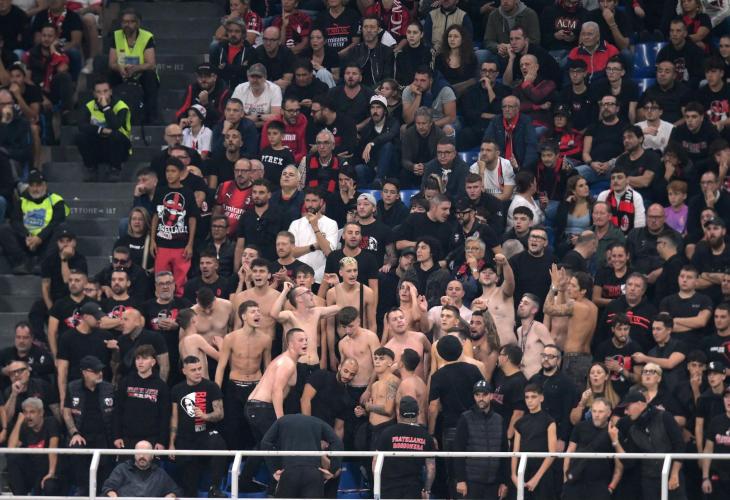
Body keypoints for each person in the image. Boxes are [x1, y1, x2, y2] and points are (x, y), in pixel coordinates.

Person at [238, 328, 308, 489]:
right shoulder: (287, 363)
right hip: (261, 408)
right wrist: (280, 420)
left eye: (306, 340)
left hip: (254, 408)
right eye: (300, 340)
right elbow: (276, 390)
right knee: (278, 444)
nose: (305, 343)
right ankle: (276, 487)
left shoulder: (286, 360)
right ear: (290, 344)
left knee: (262, 445)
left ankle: (244, 482)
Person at [429, 336, 484, 493]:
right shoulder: (473, 370)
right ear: (460, 349)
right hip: (475, 426)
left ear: (440, 354)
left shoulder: (438, 376)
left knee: (454, 472)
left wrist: (431, 433)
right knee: (475, 468)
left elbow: (433, 406)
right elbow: (484, 396)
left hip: (451, 427)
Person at [214, 300, 272, 449]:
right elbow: (221, 367)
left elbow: (268, 368)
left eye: (258, 312)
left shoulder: (265, 339)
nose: (257, 314)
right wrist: (216, 393)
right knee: (233, 427)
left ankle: (253, 460)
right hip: (234, 387)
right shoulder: (230, 338)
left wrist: (268, 391)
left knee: (255, 427)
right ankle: (234, 460)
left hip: (256, 387)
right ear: (244, 316)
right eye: (253, 312)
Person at [611, 390, 687, 500]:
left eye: (627, 407)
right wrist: (616, 442)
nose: (626, 412)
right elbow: (629, 461)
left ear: (640, 404)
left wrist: (675, 473)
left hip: (672, 474)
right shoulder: (633, 430)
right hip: (649, 480)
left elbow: (679, 445)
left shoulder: (664, 417)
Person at [169, 356, 226, 498]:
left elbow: (220, 414)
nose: (198, 372)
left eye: (200, 369)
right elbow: (174, 418)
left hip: (205, 434)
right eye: (193, 370)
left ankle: (215, 488)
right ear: (184, 371)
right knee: (189, 485)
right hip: (185, 438)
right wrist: (171, 443)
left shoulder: (211, 387)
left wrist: (205, 416)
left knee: (219, 444)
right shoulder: (177, 389)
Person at [63, 355, 115, 495]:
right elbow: (66, 412)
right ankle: (83, 490)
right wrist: (74, 432)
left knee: (104, 475)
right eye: (96, 371)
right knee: (76, 450)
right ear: (85, 372)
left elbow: (116, 415)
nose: (100, 373)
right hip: (82, 435)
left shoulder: (109, 388)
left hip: (103, 436)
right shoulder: (72, 387)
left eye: (101, 370)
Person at [0, 170, 68, 274]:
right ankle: (22, 262)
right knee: (4, 229)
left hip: (46, 241)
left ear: (45, 185)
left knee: (61, 229)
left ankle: (43, 263)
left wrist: (39, 237)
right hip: (26, 241)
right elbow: (15, 221)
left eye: (38, 185)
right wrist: (27, 236)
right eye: (32, 185)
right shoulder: (22, 200)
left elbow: (56, 222)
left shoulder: (56, 200)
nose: (35, 189)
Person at [260, 413, 343, 499]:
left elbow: (265, 442)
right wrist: (332, 470)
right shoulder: (318, 421)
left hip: (289, 471)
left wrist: (274, 469)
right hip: (313, 473)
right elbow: (337, 442)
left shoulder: (282, 421)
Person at [149, 157, 199, 295]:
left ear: (181, 173)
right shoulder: (160, 191)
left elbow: (192, 219)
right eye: (167, 171)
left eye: (173, 171)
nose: (169, 174)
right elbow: (155, 216)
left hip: (181, 244)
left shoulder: (188, 192)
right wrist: (152, 240)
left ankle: (179, 304)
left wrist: (190, 244)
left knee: (180, 281)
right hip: (162, 243)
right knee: (160, 279)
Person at [543, 266, 598, 388]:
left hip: (573, 359)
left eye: (573, 286)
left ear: (583, 291)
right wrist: (562, 289)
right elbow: (562, 308)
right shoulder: (594, 307)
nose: (569, 288)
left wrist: (553, 287)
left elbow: (547, 308)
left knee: (570, 396)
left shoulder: (575, 306)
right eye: (569, 284)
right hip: (587, 358)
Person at [454, 380, 509, 499]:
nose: (481, 398)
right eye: (477, 395)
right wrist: (460, 479)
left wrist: (504, 481)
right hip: (471, 482)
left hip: (494, 483)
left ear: (491, 396)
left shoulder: (499, 419)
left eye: (484, 394)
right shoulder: (465, 418)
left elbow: (504, 452)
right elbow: (458, 450)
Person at [113, 344, 170, 450]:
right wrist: (117, 436)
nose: (140, 362)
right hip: (127, 438)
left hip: (152, 438)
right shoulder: (125, 382)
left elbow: (164, 416)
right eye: (138, 358)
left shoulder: (161, 386)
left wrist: (162, 441)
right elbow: (118, 410)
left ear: (153, 362)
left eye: (144, 358)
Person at [563, 398, 622, 499]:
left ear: (609, 413)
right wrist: (565, 480)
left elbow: (619, 463)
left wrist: (611, 487)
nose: (596, 415)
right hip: (576, 481)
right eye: (594, 411)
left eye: (600, 411)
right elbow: (569, 452)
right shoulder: (580, 427)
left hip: (599, 486)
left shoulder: (613, 432)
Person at [107, 8, 158, 124]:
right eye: (125, 22)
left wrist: (135, 69)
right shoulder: (116, 36)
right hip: (122, 72)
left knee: (150, 76)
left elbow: (151, 64)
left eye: (131, 22)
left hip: (140, 73)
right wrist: (119, 68)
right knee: (110, 75)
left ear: (138, 23)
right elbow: (112, 63)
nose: (127, 25)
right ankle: (109, 113)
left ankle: (151, 117)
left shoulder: (147, 37)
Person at [511, 384, 558, 499]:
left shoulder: (549, 421)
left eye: (533, 397)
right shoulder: (520, 423)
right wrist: (514, 475)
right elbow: (515, 452)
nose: (529, 400)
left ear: (541, 398)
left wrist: (537, 478)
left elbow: (552, 453)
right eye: (527, 397)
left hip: (542, 473)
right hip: (523, 470)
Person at [6, 397, 61, 496]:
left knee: (50, 485)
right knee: (13, 458)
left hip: (48, 470)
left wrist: (51, 473)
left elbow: (53, 448)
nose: (28, 416)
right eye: (25, 412)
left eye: (32, 412)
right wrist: (19, 422)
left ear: (41, 413)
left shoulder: (51, 422)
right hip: (32, 471)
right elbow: (11, 449)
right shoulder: (24, 427)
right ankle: (20, 497)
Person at [528, 344, 577, 451]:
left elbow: (567, 412)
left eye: (550, 356)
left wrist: (562, 438)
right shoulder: (534, 379)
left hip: (555, 433)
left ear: (558, 360)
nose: (546, 359)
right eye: (544, 355)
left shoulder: (567, 383)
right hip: (533, 432)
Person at [301, 358, 358, 438]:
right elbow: (305, 399)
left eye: (352, 374)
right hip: (306, 426)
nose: (347, 376)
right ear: (339, 367)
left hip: (324, 436)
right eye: (346, 371)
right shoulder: (322, 375)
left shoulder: (346, 397)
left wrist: (334, 444)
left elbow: (338, 428)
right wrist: (309, 429)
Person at [659, 266, 714, 349]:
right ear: (678, 278)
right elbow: (665, 327)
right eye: (682, 276)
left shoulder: (705, 299)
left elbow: (701, 322)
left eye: (689, 277)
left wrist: (675, 320)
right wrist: (694, 325)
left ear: (696, 281)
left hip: (696, 347)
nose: (684, 280)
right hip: (671, 347)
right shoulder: (666, 301)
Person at [102, 440, 181, 497]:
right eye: (139, 452)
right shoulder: (122, 469)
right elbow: (107, 488)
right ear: (134, 454)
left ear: (152, 455)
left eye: (146, 453)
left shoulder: (160, 473)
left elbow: (175, 491)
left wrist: (170, 496)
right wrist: (113, 496)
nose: (142, 456)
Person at [483, 95, 538, 172]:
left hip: (521, 165)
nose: (507, 109)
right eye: (504, 107)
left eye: (510, 107)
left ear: (517, 109)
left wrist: (523, 169)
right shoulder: (496, 121)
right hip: (499, 165)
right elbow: (487, 142)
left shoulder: (526, 121)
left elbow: (531, 146)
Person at [402, 66, 457, 133]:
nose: (418, 84)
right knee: (403, 128)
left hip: (439, 123)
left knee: (447, 129)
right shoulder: (408, 90)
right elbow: (408, 120)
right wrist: (418, 96)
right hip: (418, 124)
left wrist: (429, 126)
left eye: (423, 80)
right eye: (416, 80)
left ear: (431, 80)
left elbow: (451, 118)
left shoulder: (445, 90)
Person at [400, 106, 445, 187]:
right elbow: (405, 159)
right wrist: (413, 166)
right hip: (414, 169)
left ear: (430, 123)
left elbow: (440, 158)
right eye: (418, 123)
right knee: (403, 173)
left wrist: (426, 166)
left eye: (424, 123)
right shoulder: (408, 134)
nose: (420, 127)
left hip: (432, 168)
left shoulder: (439, 134)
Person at [176, 63, 229, 128]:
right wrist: (184, 118)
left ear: (215, 77)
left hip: (214, 128)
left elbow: (222, 118)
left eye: (207, 76)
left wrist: (206, 105)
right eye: (200, 76)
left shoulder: (224, 91)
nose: (203, 80)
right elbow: (181, 111)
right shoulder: (192, 89)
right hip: (193, 127)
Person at [701, 387, 730, 499]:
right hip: (718, 478)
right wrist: (705, 478)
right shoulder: (716, 421)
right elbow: (708, 449)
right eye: (726, 397)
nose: (729, 400)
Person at [515, 293, 553, 378]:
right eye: (521, 302)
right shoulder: (519, 330)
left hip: (537, 379)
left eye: (526, 303)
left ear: (534, 310)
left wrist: (550, 377)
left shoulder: (539, 327)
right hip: (522, 379)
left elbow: (554, 351)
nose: (521, 305)